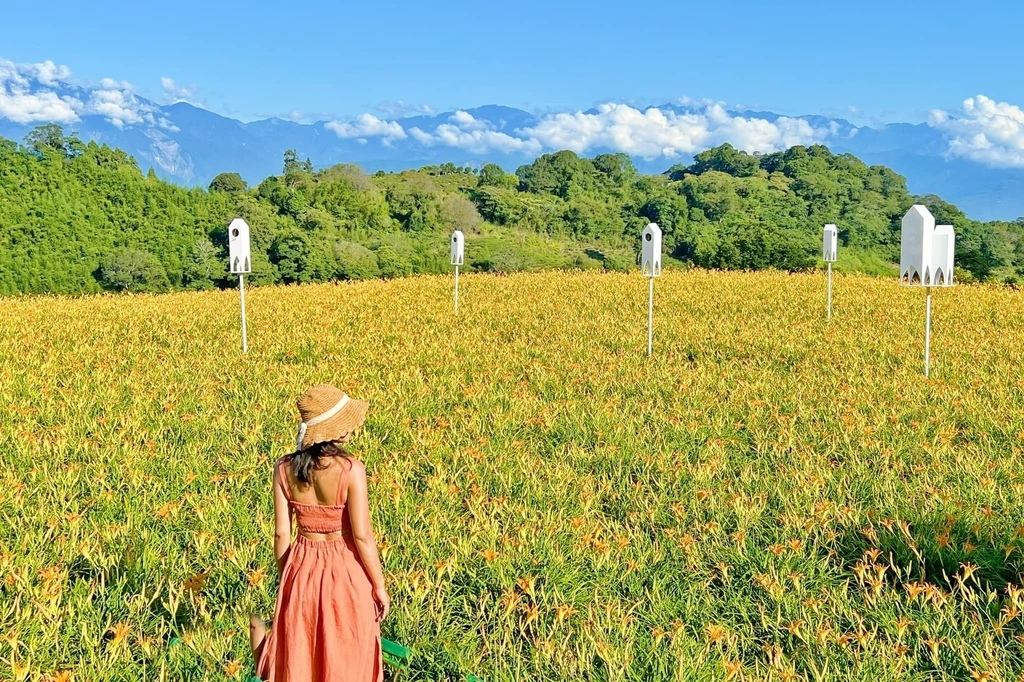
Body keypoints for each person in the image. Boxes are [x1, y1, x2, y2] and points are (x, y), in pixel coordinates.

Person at [250, 384, 389, 682]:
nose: (352, 428)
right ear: (334, 430)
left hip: (301, 567)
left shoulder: (283, 468)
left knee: (303, 651)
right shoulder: (351, 469)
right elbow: (363, 536)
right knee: (348, 648)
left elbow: (281, 535)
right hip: (346, 568)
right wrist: (379, 585)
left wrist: (288, 577)